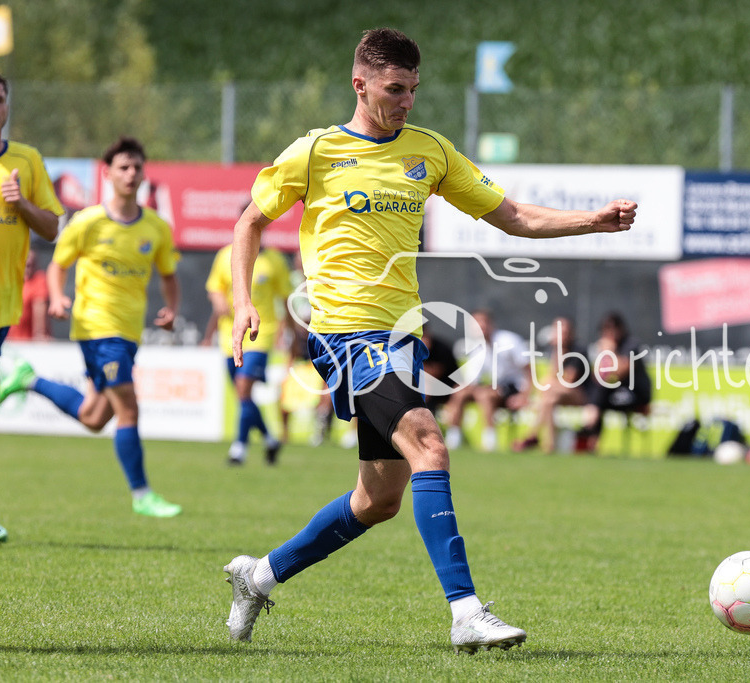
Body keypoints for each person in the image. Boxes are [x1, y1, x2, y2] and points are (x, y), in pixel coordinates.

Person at [221, 27, 636, 654]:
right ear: (360, 85)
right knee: (430, 444)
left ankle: (259, 576)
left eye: (413, 89)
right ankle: (465, 611)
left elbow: (514, 217)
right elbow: (250, 220)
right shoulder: (317, 152)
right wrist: (243, 301)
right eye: (395, 89)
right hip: (343, 333)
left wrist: (594, 223)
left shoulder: (430, 152)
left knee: (378, 498)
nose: (407, 100)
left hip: (400, 337)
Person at [0, 136, 182, 518]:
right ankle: (142, 493)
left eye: (136, 167)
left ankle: (28, 380)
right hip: (96, 328)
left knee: (95, 418)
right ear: (108, 173)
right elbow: (58, 265)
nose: (131, 174)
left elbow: (168, 274)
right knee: (128, 409)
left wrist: (171, 308)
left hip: (128, 333)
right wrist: (58, 297)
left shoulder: (156, 228)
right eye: (123, 168)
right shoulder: (88, 221)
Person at [0, 69, 64, 543]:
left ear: (8, 106)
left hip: (1, 305)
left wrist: (21, 206)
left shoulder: (26, 161)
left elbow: (54, 227)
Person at [206, 239, 292, 465]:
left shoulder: (274, 260)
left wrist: (291, 334)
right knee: (243, 397)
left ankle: (239, 447)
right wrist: (218, 303)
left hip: (260, 335)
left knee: (244, 389)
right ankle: (269, 439)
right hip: (230, 336)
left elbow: (286, 298)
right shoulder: (226, 255)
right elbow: (215, 288)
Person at [443, 310, 531, 452]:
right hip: (492, 388)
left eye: (483, 322)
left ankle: (490, 440)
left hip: (514, 388)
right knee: (460, 393)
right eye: (476, 323)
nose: (480, 326)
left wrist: (524, 396)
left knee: (485, 395)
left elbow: (529, 370)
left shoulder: (509, 341)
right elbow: (472, 381)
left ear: (491, 324)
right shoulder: (475, 347)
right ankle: (453, 440)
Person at [576, 312, 652, 453]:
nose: (609, 332)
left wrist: (609, 352)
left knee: (599, 395)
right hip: (613, 394)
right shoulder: (602, 347)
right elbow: (598, 375)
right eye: (605, 329)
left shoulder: (631, 345)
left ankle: (588, 431)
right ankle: (591, 440)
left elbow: (619, 371)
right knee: (598, 391)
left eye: (613, 328)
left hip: (635, 393)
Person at [513, 316, 591, 453]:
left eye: (564, 332)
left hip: (581, 395)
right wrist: (557, 352)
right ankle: (549, 444)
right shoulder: (555, 350)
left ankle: (532, 435)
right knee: (549, 400)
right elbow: (553, 375)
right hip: (557, 394)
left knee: (548, 390)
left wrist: (548, 385)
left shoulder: (578, 351)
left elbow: (569, 382)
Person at [8, 251, 52, 341]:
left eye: (31, 265)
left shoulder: (39, 280)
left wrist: (40, 333)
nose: (28, 269)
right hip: (8, 340)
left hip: (30, 342)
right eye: (26, 265)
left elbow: (40, 306)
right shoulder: (10, 281)